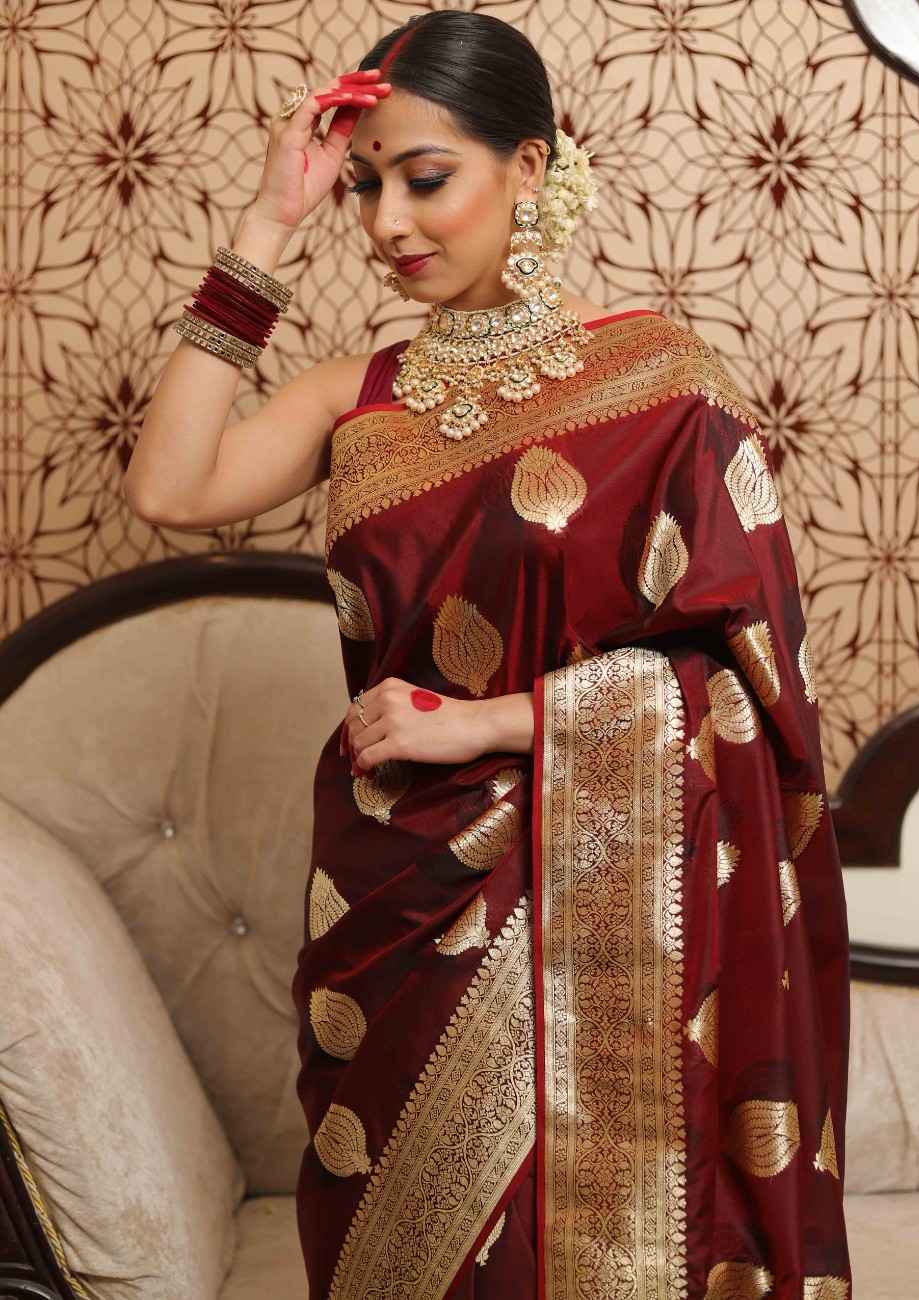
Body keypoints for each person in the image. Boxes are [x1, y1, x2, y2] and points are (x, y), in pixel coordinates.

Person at [125, 10, 853, 1299]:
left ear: (532, 166)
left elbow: (751, 690)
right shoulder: (355, 397)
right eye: (366, 187)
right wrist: (266, 223)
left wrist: (487, 724)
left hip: (596, 891)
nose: (388, 224)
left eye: (427, 178)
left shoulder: (667, 387)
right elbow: (172, 487)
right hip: (394, 895)